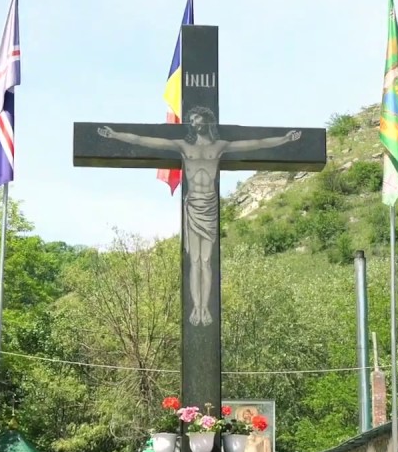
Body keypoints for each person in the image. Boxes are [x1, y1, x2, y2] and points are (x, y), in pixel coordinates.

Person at [98, 109, 301, 326]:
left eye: (197, 118)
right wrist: (115, 135)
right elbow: (144, 140)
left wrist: (285, 139)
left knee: (206, 261)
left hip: (210, 205)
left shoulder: (220, 146)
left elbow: (257, 143)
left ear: (207, 120)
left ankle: (206, 307)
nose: (194, 122)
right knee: (194, 261)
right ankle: (197, 307)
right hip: (193, 205)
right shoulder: (183, 147)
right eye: (192, 120)